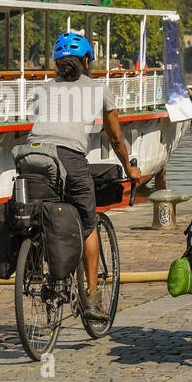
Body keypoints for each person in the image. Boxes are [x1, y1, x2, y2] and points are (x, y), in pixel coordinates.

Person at [28, 32, 143, 322]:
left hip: (32, 155)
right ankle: (91, 298)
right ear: (88, 60)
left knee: (38, 213)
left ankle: (33, 267)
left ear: (56, 63)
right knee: (88, 223)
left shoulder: (42, 89)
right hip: (70, 159)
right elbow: (115, 137)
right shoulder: (98, 89)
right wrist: (129, 166)